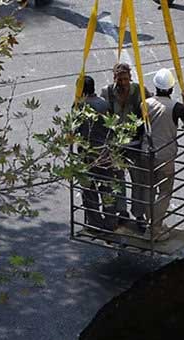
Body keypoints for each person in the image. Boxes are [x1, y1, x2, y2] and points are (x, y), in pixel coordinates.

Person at [140, 68, 184, 230]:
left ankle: (150, 222)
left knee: (149, 189)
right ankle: (155, 227)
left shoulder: (145, 104)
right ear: (171, 88)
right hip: (165, 156)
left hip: (147, 153)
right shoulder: (176, 107)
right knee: (165, 191)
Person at [101, 63, 148, 232]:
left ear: (130, 78)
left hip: (134, 144)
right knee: (118, 179)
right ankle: (122, 211)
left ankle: (139, 213)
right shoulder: (107, 93)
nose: (123, 82)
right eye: (120, 79)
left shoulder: (139, 91)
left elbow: (149, 110)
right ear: (114, 78)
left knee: (138, 180)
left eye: (126, 79)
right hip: (116, 145)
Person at [74, 75, 116, 228]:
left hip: (88, 154)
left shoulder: (79, 106)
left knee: (90, 189)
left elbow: (75, 129)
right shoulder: (104, 104)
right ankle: (110, 220)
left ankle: (94, 222)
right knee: (107, 188)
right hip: (105, 153)